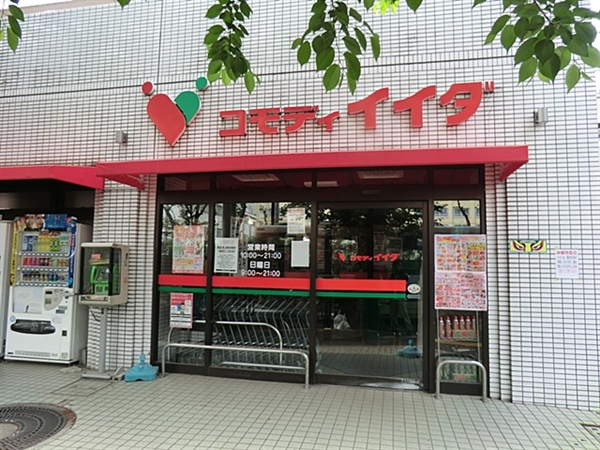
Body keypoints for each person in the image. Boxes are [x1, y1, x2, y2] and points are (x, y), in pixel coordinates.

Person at [390, 260, 413, 333]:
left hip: (401, 295)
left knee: (404, 313)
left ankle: (409, 328)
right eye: (398, 265)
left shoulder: (403, 275)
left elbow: (404, 282)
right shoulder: (392, 275)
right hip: (394, 295)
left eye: (400, 265)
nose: (399, 267)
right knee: (393, 314)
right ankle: (394, 327)